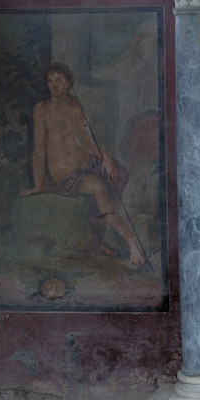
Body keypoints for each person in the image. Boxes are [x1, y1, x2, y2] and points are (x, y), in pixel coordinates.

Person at [20, 62, 146, 265]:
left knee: (119, 173)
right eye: (50, 81)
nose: (54, 85)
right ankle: (131, 241)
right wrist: (39, 184)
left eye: (58, 80)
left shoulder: (75, 105)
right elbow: (38, 150)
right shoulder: (41, 109)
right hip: (65, 176)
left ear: (68, 83)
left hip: (84, 164)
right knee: (98, 186)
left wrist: (105, 157)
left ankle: (98, 239)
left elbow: (84, 140)